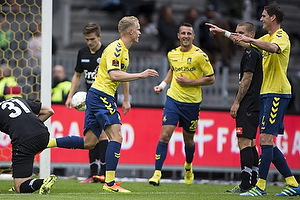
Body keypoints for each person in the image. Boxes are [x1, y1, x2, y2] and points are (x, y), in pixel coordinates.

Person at [47, 16, 159, 193]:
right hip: (103, 96)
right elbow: (114, 75)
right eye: (138, 29)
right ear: (130, 31)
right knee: (117, 137)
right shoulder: (116, 48)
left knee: (89, 142)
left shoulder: (123, 51)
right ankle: (110, 182)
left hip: (95, 95)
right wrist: (141, 75)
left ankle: (48, 142)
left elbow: (117, 74)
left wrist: (127, 97)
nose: (140, 32)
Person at [231, 4, 300, 196]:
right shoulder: (266, 37)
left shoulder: (281, 37)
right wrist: (224, 33)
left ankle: (260, 187)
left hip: (277, 93)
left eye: (263, 16)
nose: (260, 19)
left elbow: (272, 48)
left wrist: (249, 39)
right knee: (268, 142)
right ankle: (293, 184)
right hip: (267, 94)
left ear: (273, 18)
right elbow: (248, 43)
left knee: (264, 140)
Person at [148, 22, 215, 186]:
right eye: (183, 33)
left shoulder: (200, 55)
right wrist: (162, 85)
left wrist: (189, 82)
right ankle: (157, 173)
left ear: (193, 36)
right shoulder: (172, 54)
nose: (185, 36)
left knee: (189, 141)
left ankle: (188, 165)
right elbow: (173, 70)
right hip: (173, 99)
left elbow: (211, 78)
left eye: (188, 33)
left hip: (191, 104)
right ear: (178, 36)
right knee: (165, 135)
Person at [206, 22, 262, 193]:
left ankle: (246, 184)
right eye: (236, 33)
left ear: (251, 34)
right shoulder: (254, 52)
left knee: (244, 142)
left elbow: (247, 79)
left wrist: (237, 102)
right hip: (255, 103)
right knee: (251, 142)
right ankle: (253, 182)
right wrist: (225, 33)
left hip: (248, 103)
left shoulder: (251, 53)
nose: (237, 36)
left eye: (241, 33)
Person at [64, 23, 108, 184]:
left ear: (99, 37)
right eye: (87, 39)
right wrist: (70, 96)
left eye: (92, 39)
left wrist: (124, 99)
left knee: (102, 134)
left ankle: (103, 173)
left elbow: (119, 74)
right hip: (90, 99)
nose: (89, 42)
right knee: (91, 135)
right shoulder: (82, 53)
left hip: (106, 98)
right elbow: (77, 75)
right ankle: (93, 174)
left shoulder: (106, 52)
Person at [0, 97, 57, 194]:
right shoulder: (17, 99)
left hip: (24, 140)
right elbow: (49, 111)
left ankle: (43, 182)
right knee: (23, 174)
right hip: (43, 134)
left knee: (20, 187)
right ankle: (24, 179)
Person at [194, 4, 231, 69]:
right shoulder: (201, 24)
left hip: (215, 46)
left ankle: (223, 61)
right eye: (209, 11)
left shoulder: (219, 22)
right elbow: (199, 36)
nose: (211, 13)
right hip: (204, 46)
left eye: (212, 11)